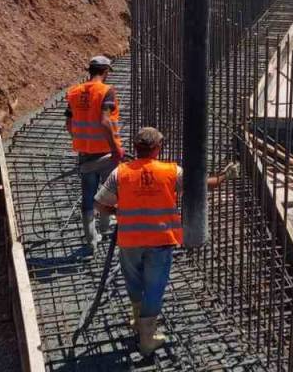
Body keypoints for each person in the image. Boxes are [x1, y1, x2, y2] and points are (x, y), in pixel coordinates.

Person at [93, 127, 237, 355]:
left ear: (136, 147)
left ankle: (137, 320)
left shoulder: (120, 173)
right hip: (160, 240)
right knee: (154, 288)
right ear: (158, 148)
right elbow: (199, 186)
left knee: (134, 282)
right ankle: (147, 339)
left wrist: (118, 212)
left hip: (129, 240)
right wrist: (222, 177)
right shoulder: (170, 171)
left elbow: (99, 204)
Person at [64, 56, 125, 253]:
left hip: (85, 154)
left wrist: (82, 140)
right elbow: (105, 121)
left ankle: (91, 241)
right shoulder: (106, 91)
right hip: (106, 154)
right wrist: (115, 148)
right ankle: (106, 229)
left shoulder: (74, 92)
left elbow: (69, 123)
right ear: (105, 71)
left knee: (88, 197)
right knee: (108, 193)